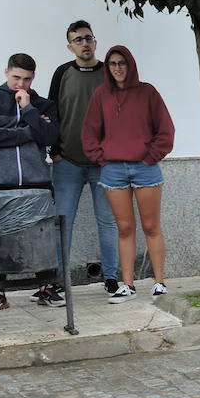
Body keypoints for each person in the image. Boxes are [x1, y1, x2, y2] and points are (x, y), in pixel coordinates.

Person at [82, 46, 175, 304]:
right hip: (112, 170)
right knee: (124, 228)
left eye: (122, 63)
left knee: (150, 226)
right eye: (112, 63)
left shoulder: (148, 93)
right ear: (107, 67)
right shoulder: (101, 95)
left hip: (145, 168)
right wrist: (102, 158)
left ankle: (159, 282)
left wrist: (149, 157)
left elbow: (166, 130)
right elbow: (89, 132)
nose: (117, 68)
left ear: (130, 64)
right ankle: (127, 285)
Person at [0, 54, 61, 310]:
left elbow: (50, 135)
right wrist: (27, 129)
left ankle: (47, 287)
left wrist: (28, 110)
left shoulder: (43, 104)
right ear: (6, 72)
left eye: (27, 79)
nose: (21, 84)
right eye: (16, 77)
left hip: (36, 181)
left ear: (34, 78)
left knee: (41, 234)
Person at [47, 20, 119, 297]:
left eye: (88, 38)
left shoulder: (109, 72)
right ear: (70, 46)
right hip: (68, 162)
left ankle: (111, 279)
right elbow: (52, 111)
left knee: (108, 222)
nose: (84, 43)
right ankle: (58, 281)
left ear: (95, 42)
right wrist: (54, 151)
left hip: (104, 164)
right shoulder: (62, 72)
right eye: (78, 39)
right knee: (63, 222)